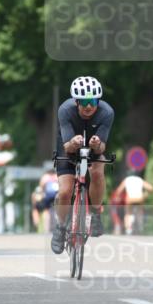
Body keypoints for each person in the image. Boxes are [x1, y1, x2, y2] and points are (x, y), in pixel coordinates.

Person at [51, 76, 114, 254]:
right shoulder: (65, 110)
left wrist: (96, 144)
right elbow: (67, 146)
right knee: (65, 191)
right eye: (85, 101)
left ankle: (95, 214)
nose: (89, 106)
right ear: (77, 101)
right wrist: (73, 142)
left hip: (93, 145)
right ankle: (61, 228)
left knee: (98, 170)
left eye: (93, 101)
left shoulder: (107, 112)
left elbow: (102, 146)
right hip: (69, 145)